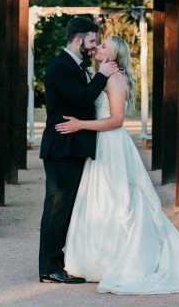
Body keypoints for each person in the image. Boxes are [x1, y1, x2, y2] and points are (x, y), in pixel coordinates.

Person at [55, 35, 179, 294]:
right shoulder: (103, 76)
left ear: (113, 55)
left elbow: (116, 121)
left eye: (103, 46)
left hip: (111, 144)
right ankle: (95, 259)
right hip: (101, 144)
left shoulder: (114, 79)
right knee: (100, 199)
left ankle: (116, 260)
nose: (97, 48)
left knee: (118, 200)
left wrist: (80, 125)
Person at [39, 17, 119, 284]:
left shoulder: (74, 65)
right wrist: (102, 75)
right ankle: (50, 268)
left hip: (72, 146)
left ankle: (55, 264)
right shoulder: (61, 67)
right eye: (92, 40)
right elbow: (83, 97)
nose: (94, 46)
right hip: (62, 146)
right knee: (56, 208)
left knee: (64, 208)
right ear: (78, 40)